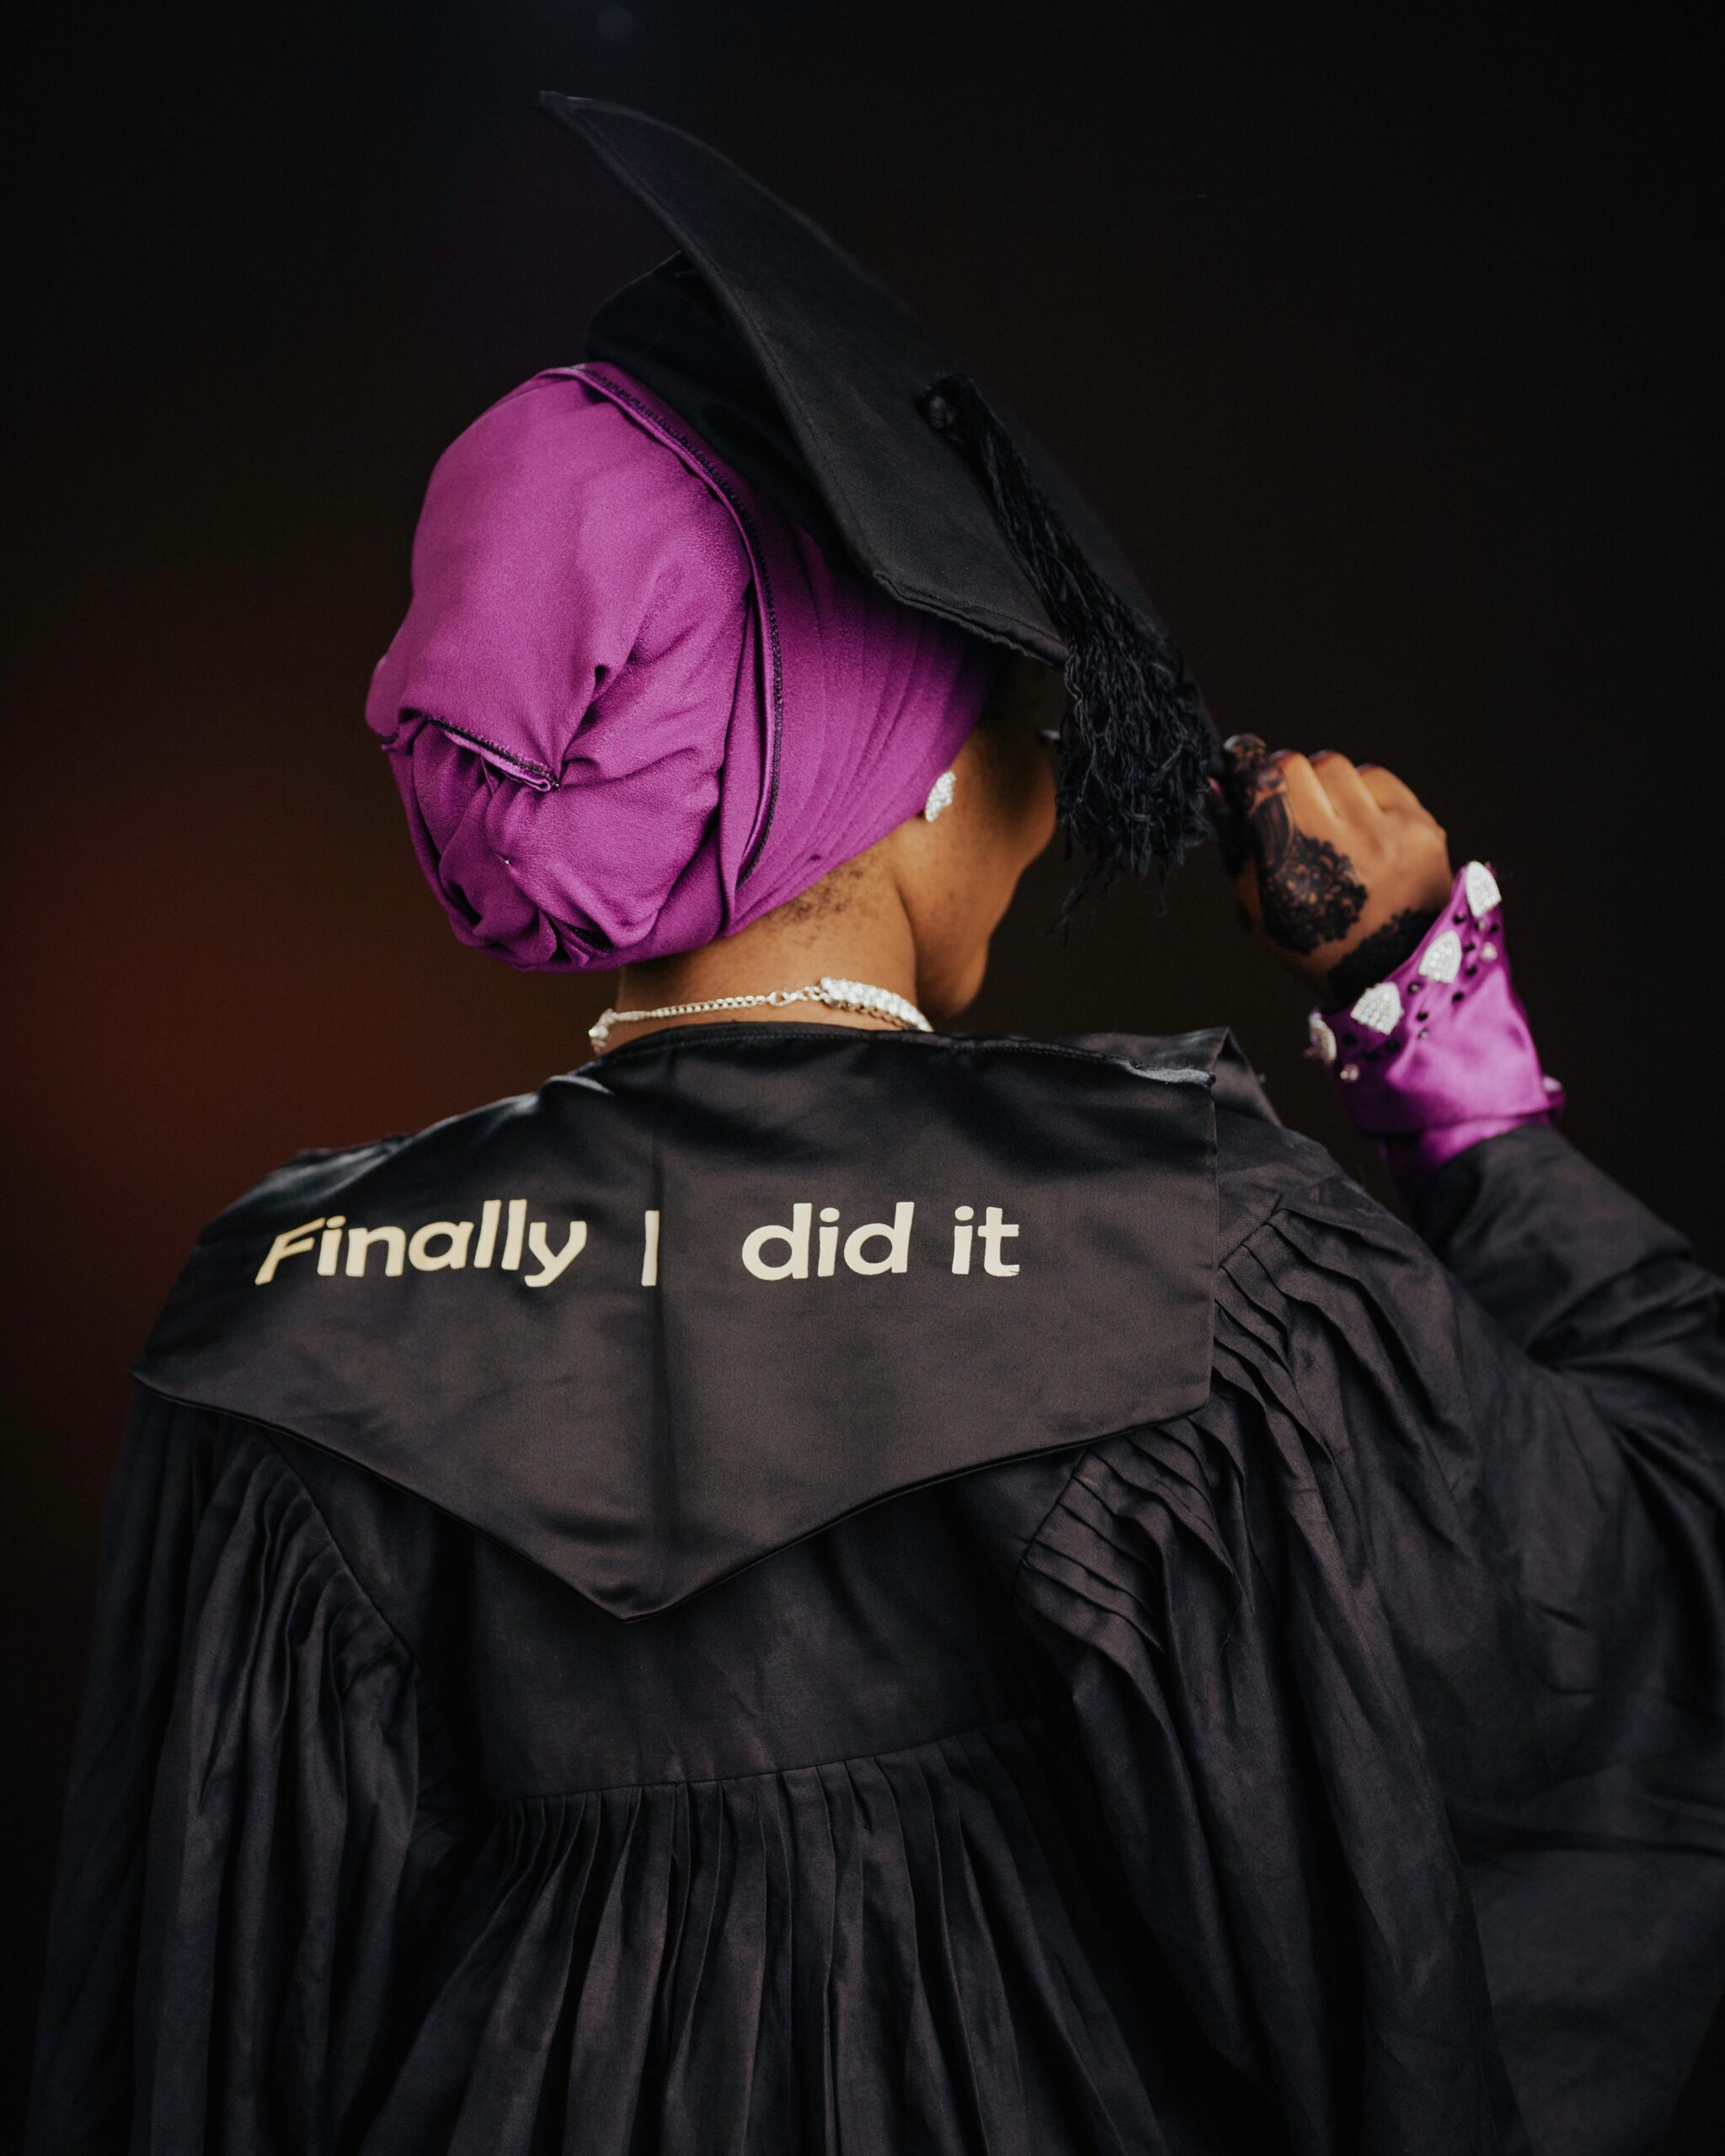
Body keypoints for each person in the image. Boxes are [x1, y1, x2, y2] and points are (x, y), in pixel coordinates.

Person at [26, 99, 1724, 2156]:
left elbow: (206, 2039)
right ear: (905, 774)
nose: (1040, 782)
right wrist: (1424, 1015)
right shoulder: (1184, 1235)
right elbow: (1636, 1618)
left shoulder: (293, 1307)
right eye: (1007, 713)